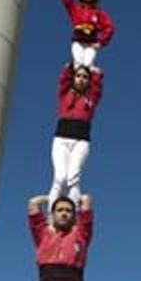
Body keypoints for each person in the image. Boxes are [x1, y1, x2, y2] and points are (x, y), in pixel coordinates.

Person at [49, 63, 105, 215]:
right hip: (61, 139)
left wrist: (96, 73)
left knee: (73, 178)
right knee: (60, 178)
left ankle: (73, 215)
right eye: (78, 76)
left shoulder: (91, 98)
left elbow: (97, 87)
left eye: (85, 77)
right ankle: (52, 215)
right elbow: (64, 79)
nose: (81, 79)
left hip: (81, 141)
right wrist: (70, 67)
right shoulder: (65, 93)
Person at [28, 193, 94, 281]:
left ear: (74, 216)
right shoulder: (43, 235)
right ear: (52, 215)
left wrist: (77, 198)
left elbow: (86, 200)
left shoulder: (81, 235)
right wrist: (51, 197)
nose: (64, 213)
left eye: (68, 211)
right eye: (59, 210)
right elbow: (33, 203)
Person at [60, 0, 114, 68]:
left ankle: (91, 76)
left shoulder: (99, 13)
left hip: (91, 43)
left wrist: (101, 42)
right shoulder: (75, 9)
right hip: (78, 40)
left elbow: (109, 27)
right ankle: (72, 74)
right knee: (78, 63)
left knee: (88, 64)